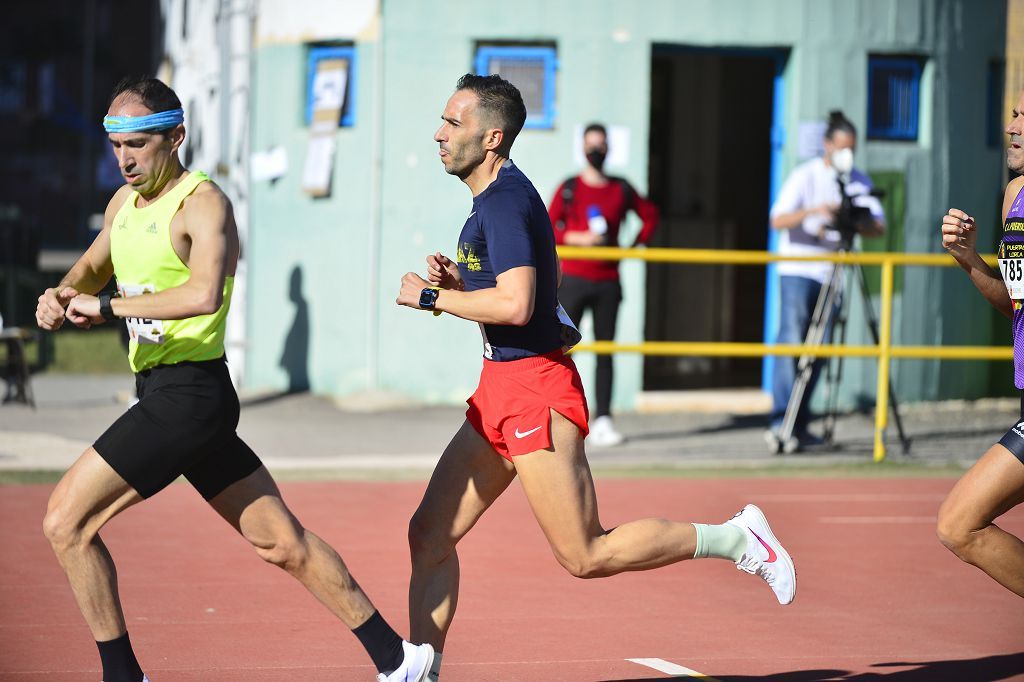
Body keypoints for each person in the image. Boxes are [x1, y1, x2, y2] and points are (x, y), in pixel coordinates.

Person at [396, 74, 797, 682]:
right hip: (500, 387)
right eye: (443, 121)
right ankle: (420, 673)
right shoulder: (492, 201)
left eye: (454, 123)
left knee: (585, 554)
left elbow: (519, 306)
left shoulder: (505, 200)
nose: (439, 134)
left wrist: (431, 299)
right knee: (429, 533)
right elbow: (506, 294)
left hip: (534, 392)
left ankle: (739, 540)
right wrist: (459, 284)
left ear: (493, 136)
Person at [34, 76, 432, 682]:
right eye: (116, 146)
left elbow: (201, 293)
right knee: (282, 542)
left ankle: (123, 677)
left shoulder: (203, 202)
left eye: (138, 144)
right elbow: (91, 267)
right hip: (170, 396)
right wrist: (61, 294)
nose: (124, 159)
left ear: (176, 137)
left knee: (66, 522)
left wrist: (108, 308)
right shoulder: (122, 206)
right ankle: (401, 659)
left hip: (189, 396)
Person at [935, 90, 1024, 598]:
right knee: (958, 524)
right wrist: (969, 258)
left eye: (1023, 117)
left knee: (958, 521)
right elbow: (1016, 302)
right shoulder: (1016, 196)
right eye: (1012, 113)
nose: (1012, 125)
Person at [765, 110, 885, 454]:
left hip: (834, 272)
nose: (846, 155)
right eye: (842, 148)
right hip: (799, 271)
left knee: (819, 351)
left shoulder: (858, 181)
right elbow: (778, 219)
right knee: (792, 345)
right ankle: (780, 421)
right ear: (827, 145)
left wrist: (853, 219)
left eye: (852, 149)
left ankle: (801, 424)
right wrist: (816, 211)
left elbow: (878, 225)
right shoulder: (805, 176)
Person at [547, 123, 659, 447]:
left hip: (608, 281)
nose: (596, 151)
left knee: (605, 350)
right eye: (590, 145)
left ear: (609, 149)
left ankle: (604, 419)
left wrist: (631, 247)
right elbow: (547, 226)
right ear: (582, 148)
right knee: (562, 348)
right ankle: (557, 412)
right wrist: (574, 237)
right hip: (572, 280)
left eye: (601, 145)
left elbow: (650, 216)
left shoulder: (620, 189)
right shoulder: (569, 187)